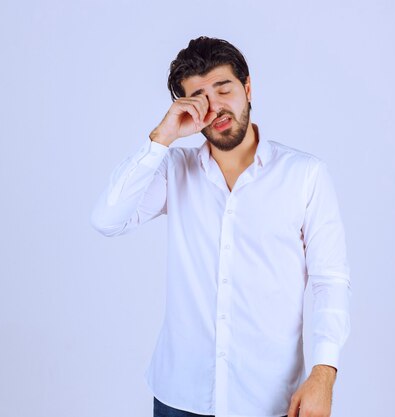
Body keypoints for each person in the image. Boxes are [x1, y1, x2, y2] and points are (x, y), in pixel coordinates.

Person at [90, 36, 351, 417]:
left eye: (223, 89)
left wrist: (324, 373)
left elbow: (331, 281)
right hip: (180, 398)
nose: (215, 107)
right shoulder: (172, 170)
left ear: (247, 87)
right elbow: (106, 220)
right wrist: (162, 136)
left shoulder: (305, 176)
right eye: (199, 97)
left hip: (270, 400)